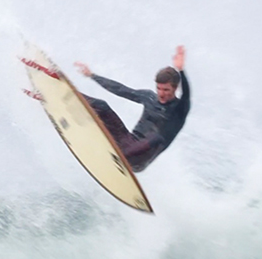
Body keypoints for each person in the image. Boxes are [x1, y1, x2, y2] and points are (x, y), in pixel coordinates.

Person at [74, 45, 189, 173]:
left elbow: (187, 96)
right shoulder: (149, 97)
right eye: (159, 88)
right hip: (126, 142)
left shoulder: (179, 110)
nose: (161, 93)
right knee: (101, 105)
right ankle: (71, 95)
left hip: (139, 159)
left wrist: (181, 70)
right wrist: (92, 75)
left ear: (175, 88)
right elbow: (121, 90)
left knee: (157, 138)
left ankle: (119, 157)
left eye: (166, 90)